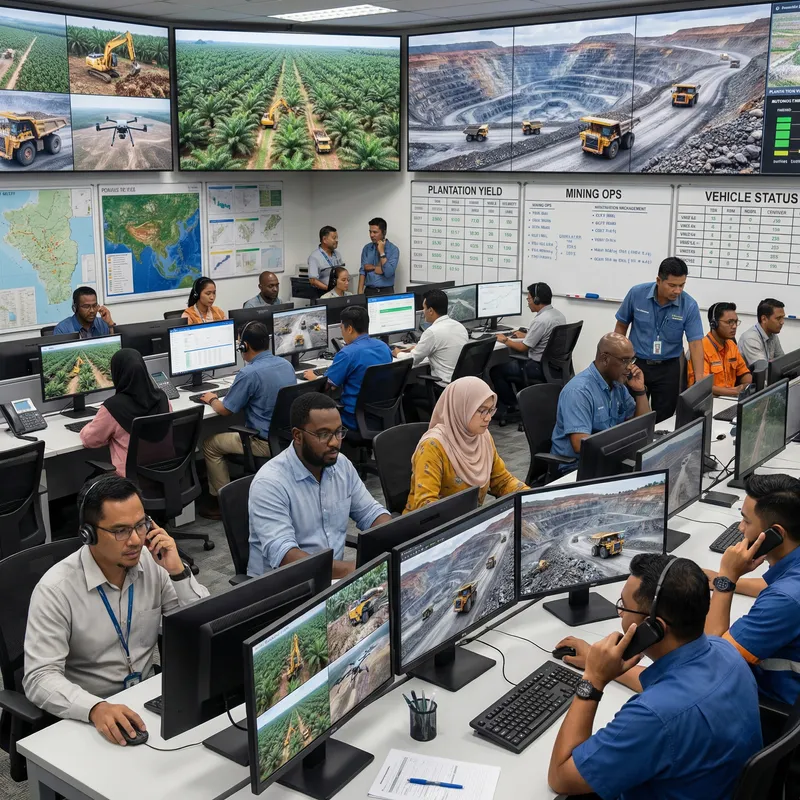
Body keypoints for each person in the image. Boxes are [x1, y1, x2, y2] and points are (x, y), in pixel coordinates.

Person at [548, 554, 762, 799]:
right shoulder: (726, 652)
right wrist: (602, 665)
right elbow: (670, 688)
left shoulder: (654, 717)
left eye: (624, 607)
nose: (620, 613)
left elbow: (561, 777)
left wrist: (593, 680)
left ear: (654, 627)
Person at [23, 476, 209, 744]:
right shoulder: (56, 589)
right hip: (90, 715)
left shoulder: (154, 563)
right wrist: (94, 709)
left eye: (140, 525)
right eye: (120, 531)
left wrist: (178, 572)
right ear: (89, 534)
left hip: (147, 701)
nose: (135, 540)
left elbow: (203, 627)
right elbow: (39, 678)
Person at [248, 393, 390, 579]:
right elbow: (286, 556)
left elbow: (371, 513)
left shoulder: (341, 465)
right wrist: (353, 570)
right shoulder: (270, 483)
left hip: (330, 579)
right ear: (298, 436)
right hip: (283, 587)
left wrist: (391, 538)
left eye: (339, 432)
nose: (334, 442)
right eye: (323, 434)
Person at [704, 473, 800, 707]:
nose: (740, 527)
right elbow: (776, 585)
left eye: (746, 521)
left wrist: (726, 579)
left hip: (769, 706)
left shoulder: (784, 600)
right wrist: (716, 577)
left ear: (775, 533)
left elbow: (708, 661)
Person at [199, 321, 296, 517]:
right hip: (287, 439)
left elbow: (226, 410)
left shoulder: (249, 373)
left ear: (244, 346)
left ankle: (223, 504)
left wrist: (212, 399)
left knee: (209, 444)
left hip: (262, 442)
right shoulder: (286, 365)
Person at [404, 376, 527, 513]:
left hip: (469, 522)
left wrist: (530, 497)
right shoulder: (433, 446)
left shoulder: (482, 437)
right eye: (482, 411)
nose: (488, 418)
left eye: (491, 410)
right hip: (433, 529)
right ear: (462, 409)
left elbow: (502, 481)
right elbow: (426, 507)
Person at [615, 257, 704, 422]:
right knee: (631, 416)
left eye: (681, 285)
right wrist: (621, 362)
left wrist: (699, 381)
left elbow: (696, 344)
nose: (677, 291)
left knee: (664, 419)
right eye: (672, 285)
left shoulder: (689, 305)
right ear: (658, 280)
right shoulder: (636, 294)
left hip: (668, 369)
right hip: (636, 364)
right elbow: (621, 325)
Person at [550, 333, 651, 464]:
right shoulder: (579, 391)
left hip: (608, 458)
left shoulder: (617, 385)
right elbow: (580, 445)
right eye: (625, 361)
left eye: (632, 360)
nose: (630, 367)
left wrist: (640, 390)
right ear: (605, 359)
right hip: (577, 466)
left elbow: (644, 426)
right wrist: (625, 443)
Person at [79, 349, 170, 477]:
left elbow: (89, 440)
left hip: (129, 480)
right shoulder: (162, 398)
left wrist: (92, 426)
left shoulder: (113, 407)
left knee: (90, 482)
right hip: (165, 472)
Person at [303, 305, 391, 431]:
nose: (342, 333)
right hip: (382, 415)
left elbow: (328, 386)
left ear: (349, 329)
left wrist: (314, 377)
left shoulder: (347, 353)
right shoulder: (383, 347)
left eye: (341, 328)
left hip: (353, 418)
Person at [490, 281, 566, 422]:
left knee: (496, 371)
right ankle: (522, 403)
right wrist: (528, 335)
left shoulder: (541, 320)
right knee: (509, 366)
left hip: (536, 367)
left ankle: (514, 406)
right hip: (553, 367)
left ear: (537, 299)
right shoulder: (558, 315)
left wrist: (505, 340)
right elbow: (545, 338)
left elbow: (523, 348)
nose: (528, 302)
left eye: (529, 299)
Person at [393, 289, 468, 422]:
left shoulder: (432, 332)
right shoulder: (459, 327)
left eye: (424, 308)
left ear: (431, 310)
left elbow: (412, 360)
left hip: (442, 388)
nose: (423, 312)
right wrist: (419, 347)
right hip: (461, 386)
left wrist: (398, 353)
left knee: (405, 392)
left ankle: (416, 431)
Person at [687, 302, 752, 398]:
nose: (734, 326)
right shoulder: (701, 348)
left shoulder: (731, 345)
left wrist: (747, 385)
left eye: (735, 322)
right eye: (729, 322)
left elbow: (744, 373)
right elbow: (702, 386)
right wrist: (734, 391)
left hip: (730, 398)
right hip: (709, 400)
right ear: (714, 324)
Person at [738, 297, 786, 369]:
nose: (782, 322)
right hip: (753, 379)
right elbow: (762, 370)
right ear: (764, 319)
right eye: (778, 318)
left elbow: (782, 362)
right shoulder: (750, 339)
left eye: (783, 317)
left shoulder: (773, 334)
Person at [358, 217, 399, 296]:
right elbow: (363, 271)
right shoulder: (367, 248)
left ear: (384, 232)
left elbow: (388, 273)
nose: (371, 235)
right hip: (369, 291)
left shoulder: (393, 250)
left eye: (375, 232)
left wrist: (382, 252)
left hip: (386, 291)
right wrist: (359, 294)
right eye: (370, 232)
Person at [308, 226, 344, 293]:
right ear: (324, 239)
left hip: (337, 292)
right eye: (334, 238)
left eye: (337, 238)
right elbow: (313, 280)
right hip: (322, 292)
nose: (337, 240)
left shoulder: (337, 254)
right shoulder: (314, 257)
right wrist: (329, 289)